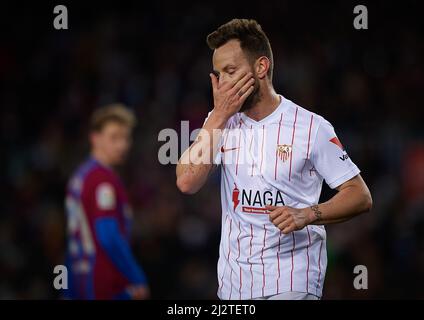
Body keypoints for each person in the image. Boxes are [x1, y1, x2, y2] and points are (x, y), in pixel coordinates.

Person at [176, 19, 372, 300]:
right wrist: (218, 116)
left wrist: (307, 214)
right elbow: (186, 182)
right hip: (234, 284)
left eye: (231, 71)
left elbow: (360, 196)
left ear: (261, 67)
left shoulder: (312, 128)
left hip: (292, 277)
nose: (223, 83)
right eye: (218, 74)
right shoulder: (219, 123)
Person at [64, 104, 149, 300]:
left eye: (126, 138)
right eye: (114, 137)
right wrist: (137, 278)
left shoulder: (80, 176)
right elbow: (108, 235)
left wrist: (67, 290)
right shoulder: (103, 180)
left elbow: (73, 238)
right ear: (95, 138)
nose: (122, 145)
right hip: (105, 283)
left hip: (80, 278)